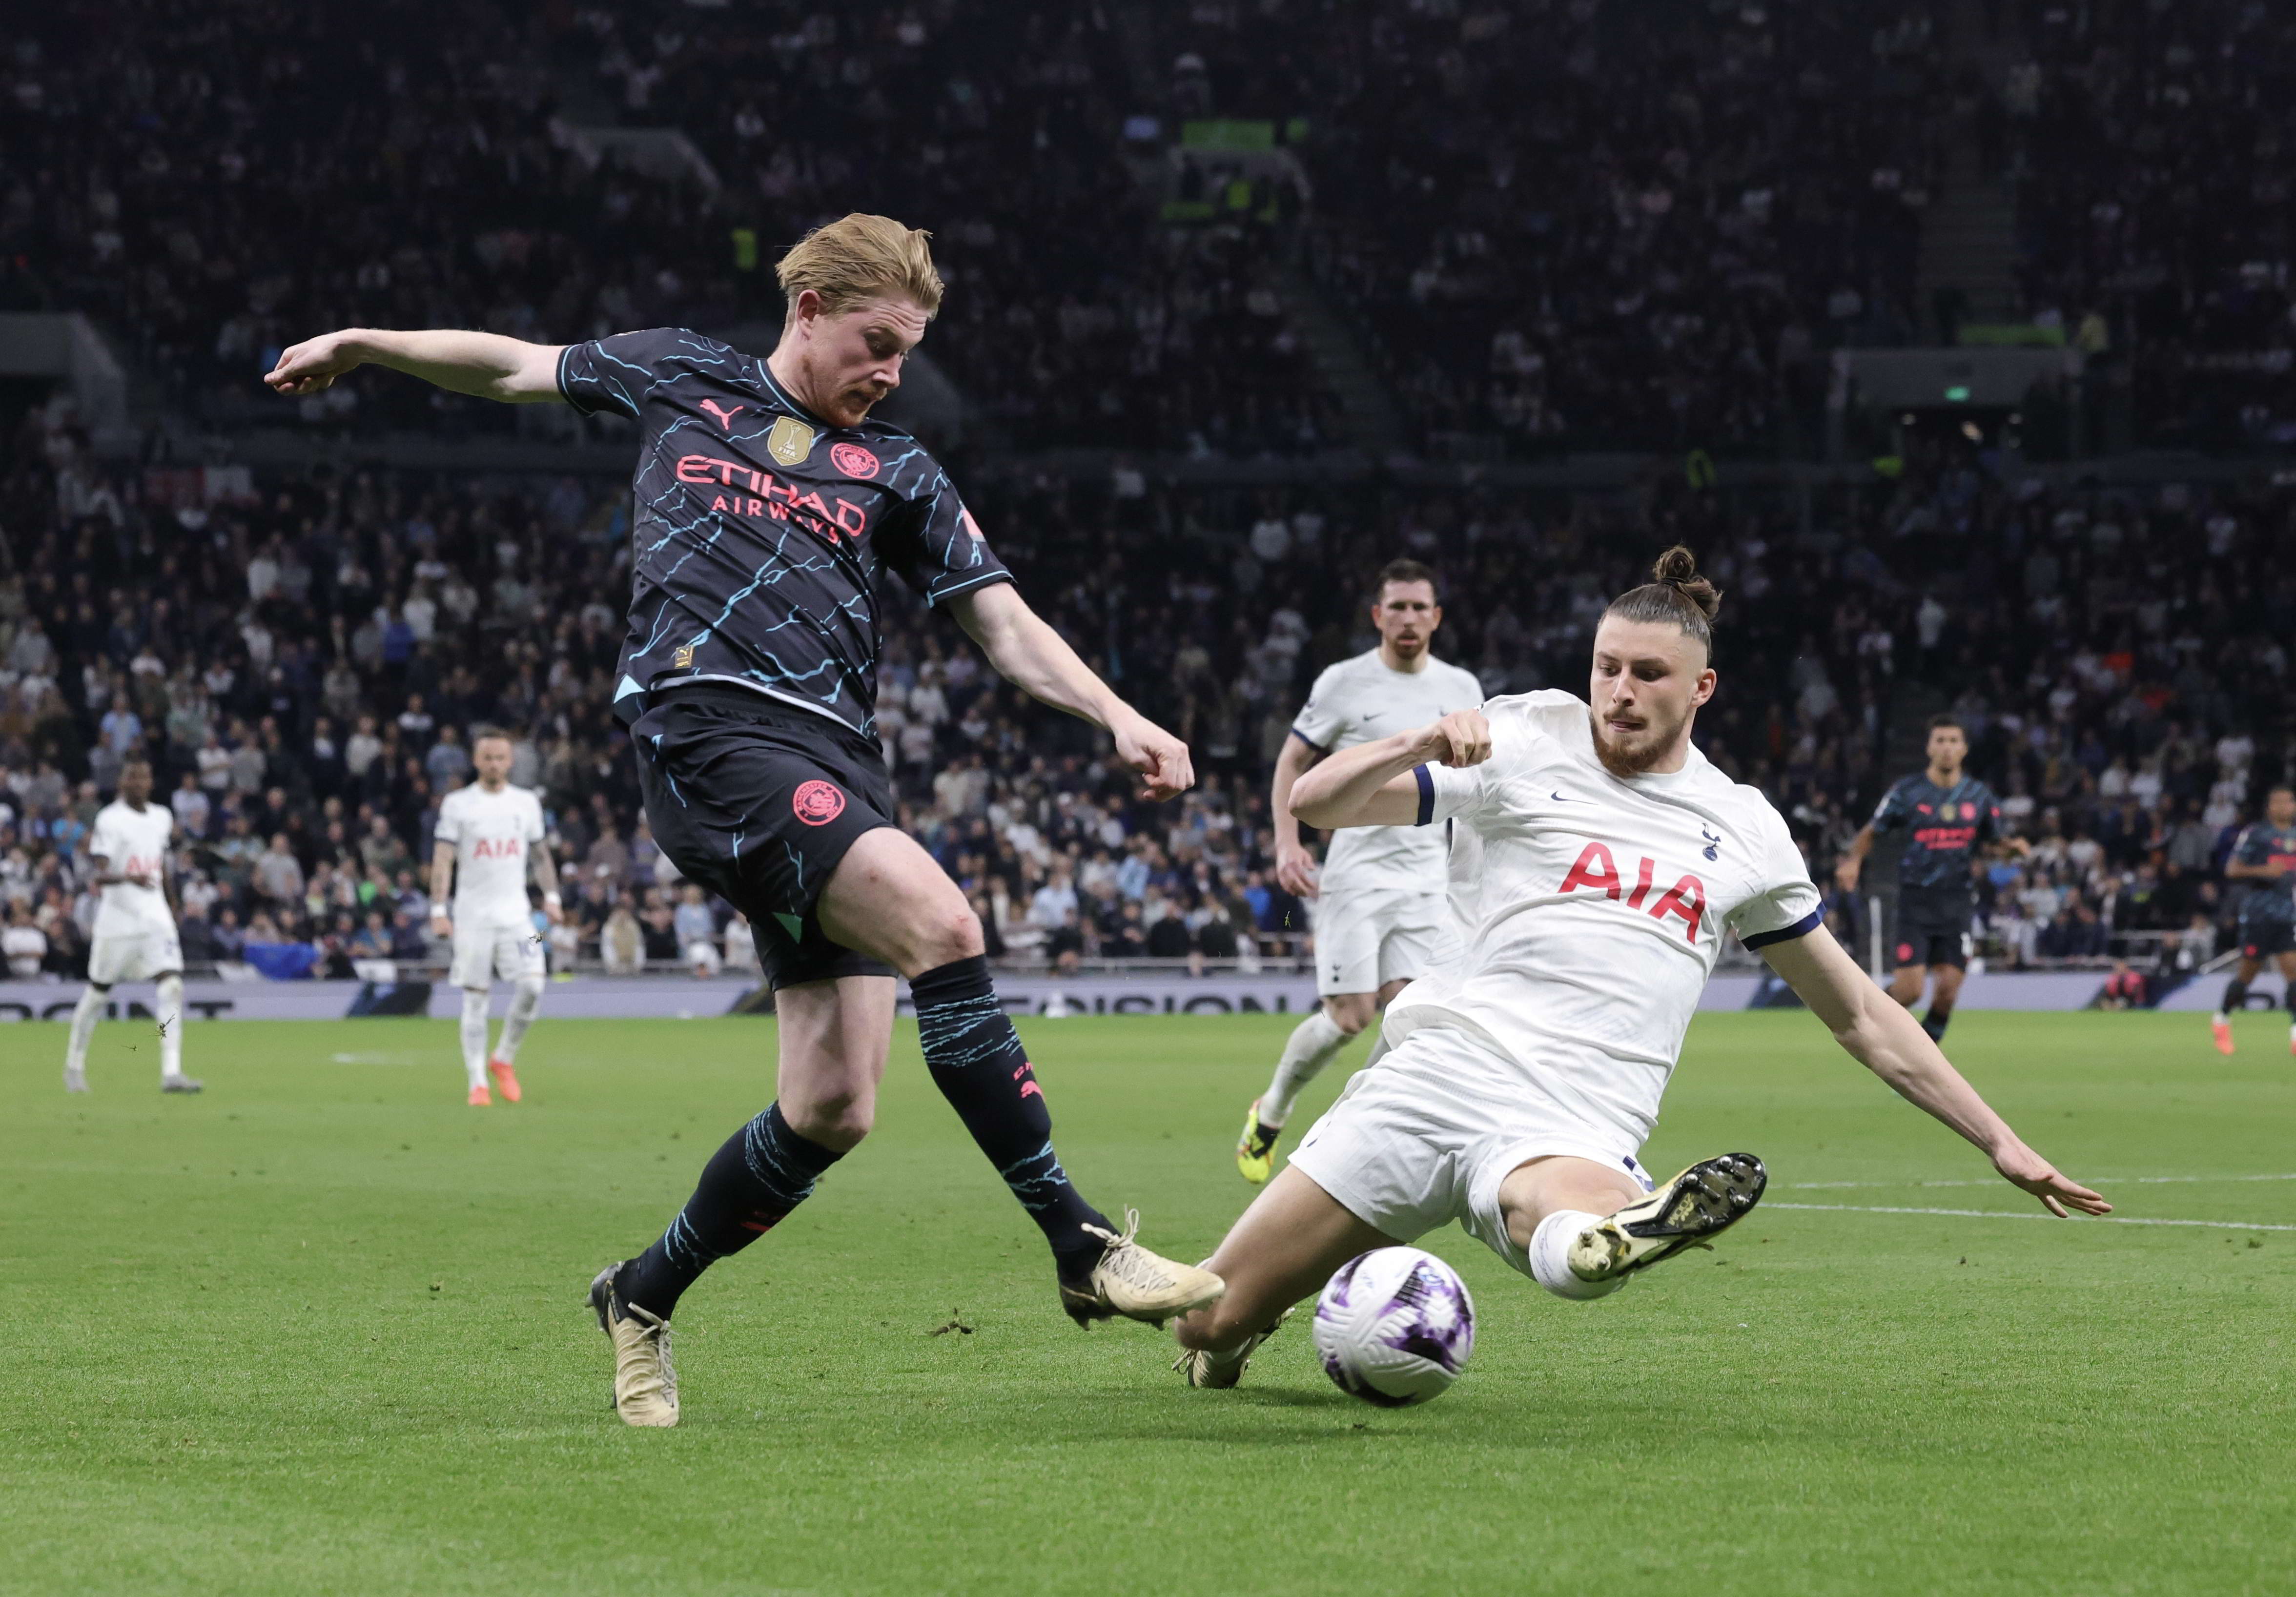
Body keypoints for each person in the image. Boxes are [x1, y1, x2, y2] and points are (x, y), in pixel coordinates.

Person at [268, 212, 1222, 1429]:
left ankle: (640, 1293)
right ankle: (1079, 1240)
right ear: (810, 306)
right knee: (942, 917)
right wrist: (367, 344)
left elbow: (1001, 621)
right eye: (877, 341)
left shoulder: (903, 472)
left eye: (908, 353)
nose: (891, 371)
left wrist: (1115, 713)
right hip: (708, 733)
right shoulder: (681, 373)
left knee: (834, 1106)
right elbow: (511, 364)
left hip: (835, 762)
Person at [1169, 549, 2109, 1388]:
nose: (1617, 690)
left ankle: (1615, 1232)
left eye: (1646, 674)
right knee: (1205, 1318)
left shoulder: (1743, 829)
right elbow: (1318, 803)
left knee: (1579, 1242)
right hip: (1434, 1074)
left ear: (1700, 689)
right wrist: (1417, 739)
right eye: (1604, 667)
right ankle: (1241, 1331)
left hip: (1576, 1115)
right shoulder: (1526, 735)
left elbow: (1859, 1014)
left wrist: (1997, 1139)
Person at [1235, 558, 1480, 1184]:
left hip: (1429, 877)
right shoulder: (1344, 682)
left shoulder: (1463, 688)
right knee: (1350, 1017)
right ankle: (1274, 1108)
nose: (1407, 617)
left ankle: (1345, 1133)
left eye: (1419, 606)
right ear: (1378, 615)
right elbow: (1293, 760)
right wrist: (1287, 843)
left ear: (1437, 617)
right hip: (1356, 871)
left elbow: (1481, 784)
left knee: (1410, 1016)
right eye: (1395, 606)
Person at [1834, 715, 2028, 1044]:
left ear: (1964, 749)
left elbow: (1995, 844)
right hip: (1916, 901)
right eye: (1940, 740)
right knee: (1910, 991)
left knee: (1948, 992)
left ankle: (1923, 1059)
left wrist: (2012, 850)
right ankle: (1868, 1027)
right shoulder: (1908, 792)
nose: (1947, 748)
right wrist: (1854, 861)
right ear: (1929, 747)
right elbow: (1872, 830)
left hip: (1958, 902)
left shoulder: (1979, 796)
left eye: (1954, 741)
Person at [429, 730, 560, 1106]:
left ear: (510, 761)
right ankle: (477, 1083)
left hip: (521, 922)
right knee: (475, 998)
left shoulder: (526, 803)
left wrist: (551, 897)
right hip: (472, 920)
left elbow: (540, 855)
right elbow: (443, 859)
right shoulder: (457, 804)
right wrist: (439, 909)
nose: (494, 764)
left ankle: (502, 1059)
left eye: (500, 757)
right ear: (476, 760)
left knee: (534, 984)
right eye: (487, 757)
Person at [62, 758, 200, 1094]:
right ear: (122, 783)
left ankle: (172, 1072)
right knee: (98, 994)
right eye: (131, 777)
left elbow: (161, 862)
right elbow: (99, 873)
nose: (138, 782)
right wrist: (129, 877)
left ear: (151, 782)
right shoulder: (110, 819)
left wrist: (172, 902)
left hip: (155, 918)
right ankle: (74, 1066)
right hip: (118, 922)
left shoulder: (161, 817)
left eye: (143, 776)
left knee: (172, 987)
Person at [2210, 784, 2296, 1056]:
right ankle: (2222, 1018)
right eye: (2278, 803)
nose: (2284, 807)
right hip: (2260, 914)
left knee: (2294, 971)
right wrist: (2264, 870)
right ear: (2270, 808)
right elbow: (2232, 869)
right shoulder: (2257, 835)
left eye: (2289, 802)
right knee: (2248, 975)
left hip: (2288, 914)